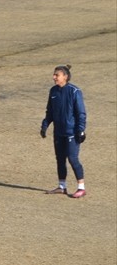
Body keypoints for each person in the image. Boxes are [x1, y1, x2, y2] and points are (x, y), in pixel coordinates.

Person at [41, 65, 87, 198]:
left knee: (72, 158)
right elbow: (50, 111)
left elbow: (81, 113)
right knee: (60, 159)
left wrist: (80, 130)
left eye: (57, 75)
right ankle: (62, 186)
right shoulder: (53, 91)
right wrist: (45, 125)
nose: (54, 77)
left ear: (65, 77)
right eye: (54, 75)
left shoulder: (74, 91)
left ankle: (81, 187)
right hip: (58, 132)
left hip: (71, 132)